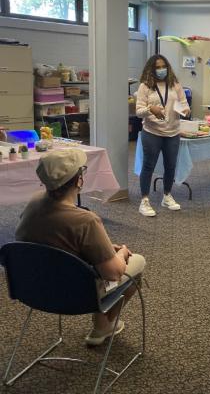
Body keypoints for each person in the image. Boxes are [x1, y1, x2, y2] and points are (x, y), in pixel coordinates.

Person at [15, 149, 146, 346]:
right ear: (79, 181)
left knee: (92, 263)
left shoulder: (34, 203)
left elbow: (46, 240)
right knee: (137, 264)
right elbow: (113, 274)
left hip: (31, 288)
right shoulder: (86, 221)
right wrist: (121, 252)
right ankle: (103, 325)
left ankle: (102, 325)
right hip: (76, 295)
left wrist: (101, 248)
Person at [136, 54, 190, 217]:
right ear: (151, 69)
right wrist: (150, 109)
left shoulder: (175, 85)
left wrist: (185, 110)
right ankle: (144, 201)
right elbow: (138, 112)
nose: (161, 70)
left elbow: (184, 104)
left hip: (173, 132)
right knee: (148, 166)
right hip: (152, 132)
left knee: (171, 166)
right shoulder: (145, 86)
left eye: (163, 66)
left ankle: (167, 195)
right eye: (157, 67)